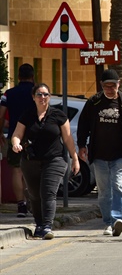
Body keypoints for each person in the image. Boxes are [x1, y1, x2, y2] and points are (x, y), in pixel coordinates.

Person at [77, 69, 122, 237]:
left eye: (112, 86)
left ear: (118, 85)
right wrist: (82, 146)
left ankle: (117, 220)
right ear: (101, 86)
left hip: (120, 155)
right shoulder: (94, 102)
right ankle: (108, 222)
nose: (109, 89)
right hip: (99, 154)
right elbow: (83, 125)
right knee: (104, 191)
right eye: (106, 86)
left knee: (119, 187)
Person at [10, 83, 80, 239]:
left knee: (48, 193)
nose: (43, 98)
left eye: (46, 94)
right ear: (33, 97)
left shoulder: (59, 115)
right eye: (39, 95)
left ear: (50, 97)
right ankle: (39, 224)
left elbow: (68, 139)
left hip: (54, 160)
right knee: (34, 195)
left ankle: (47, 226)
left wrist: (75, 159)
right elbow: (17, 134)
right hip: (31, 161)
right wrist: (16, 144)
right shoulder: (27, 115)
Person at [0, 63, 36, 217]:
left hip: (15, 135)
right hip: (35, 135)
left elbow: (1, 115)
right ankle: (34, 202)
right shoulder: (37, 92)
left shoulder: (8, 94)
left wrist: (0, 132)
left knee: (16, 169)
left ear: (19, 76)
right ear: (33, 76)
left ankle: (21, 205)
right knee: (34, 169)